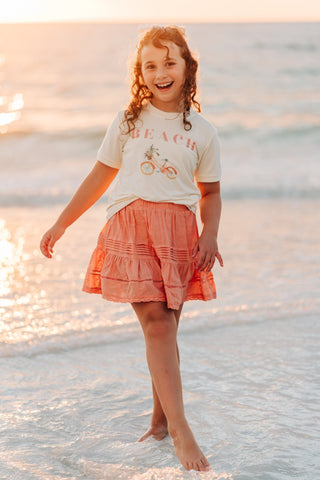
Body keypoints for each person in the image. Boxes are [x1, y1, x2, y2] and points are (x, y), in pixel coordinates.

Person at [40, 25, 223, 472]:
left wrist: (210, 233)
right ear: (140, 73)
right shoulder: (128, 121)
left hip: (179, 233)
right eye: (150, 65)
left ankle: (160, 423)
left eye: (169, 62)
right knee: (158, 326)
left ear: (187, 67)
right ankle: (181, 431)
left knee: (166, 330)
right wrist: (62, 222)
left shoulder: (202, 130)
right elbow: (99, 176)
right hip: (132, 227)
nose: (160, 72)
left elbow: (211, 193)